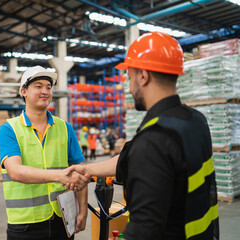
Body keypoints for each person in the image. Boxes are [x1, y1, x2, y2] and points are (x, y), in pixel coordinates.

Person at [67, 32, 219, 240]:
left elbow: (144, 229)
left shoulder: (153, 141)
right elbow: (132, 157)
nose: (129, 87)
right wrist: (87, 170)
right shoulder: (195, 120)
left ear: (143, 76)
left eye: (129, 77)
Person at [0, 66, 89, 240]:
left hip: (62, 218)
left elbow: (79, 171)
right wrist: (60, 176)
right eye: (38, 86)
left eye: (48, 87)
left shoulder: (65, 128)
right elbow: (16, 172)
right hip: (25, 223)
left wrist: (82, 210)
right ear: (23, 91)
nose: (45, 91)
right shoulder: (9, 129)